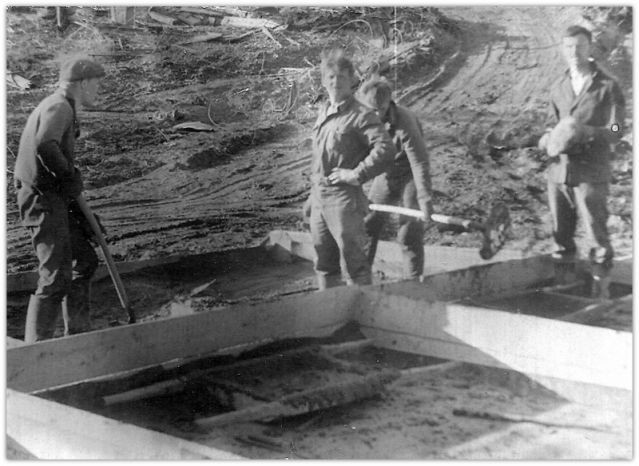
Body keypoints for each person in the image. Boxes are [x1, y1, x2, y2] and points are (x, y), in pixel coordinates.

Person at [14, 57, 106, 342]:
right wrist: (68, 174)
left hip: (55, 198)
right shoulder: (59, 106)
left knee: (85, 261)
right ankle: (36, 350)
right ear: (83, 83)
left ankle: (77, 336)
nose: (98, 89)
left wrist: (81, 214)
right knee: (55, 277)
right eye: (96, 83)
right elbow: (46, 144)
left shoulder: (62, 106)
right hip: (42, 199)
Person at [538, 25, 625, 291]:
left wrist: (588, 132)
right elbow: (550, 124)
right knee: (561, 237)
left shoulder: (608, 86)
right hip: (559, 172)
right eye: (569, 47)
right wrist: (547, 137)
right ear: (563, 50)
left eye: (580, 46)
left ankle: (602, 292)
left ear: (590, 48)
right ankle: (565, 290)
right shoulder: (558, 86)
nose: (574, 52)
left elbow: (617, 129)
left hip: (591, 172)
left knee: (596, 234)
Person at [308, 49, 395, 290]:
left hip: (344, 200)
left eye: (342, 76)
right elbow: (319, 159)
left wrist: (356, 174)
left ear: (352, 79)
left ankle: (362, 310)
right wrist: (311, 198)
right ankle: (330, 310)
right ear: (324, 81)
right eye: (331, 77)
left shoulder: (361, 114)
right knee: (324, 265)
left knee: (354, 265)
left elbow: (385, 148)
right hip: (319, 198)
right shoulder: (324, 112)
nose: (336, 82)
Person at [358, 76, 433, 279]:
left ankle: (413, 281)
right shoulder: (361, 119)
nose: (375, 115)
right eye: (370, 110)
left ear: (388, 103)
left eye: (380, 109)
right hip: (385, 172)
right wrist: (354, 188)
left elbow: (419, 162)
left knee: (409, 231)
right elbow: (355, 155)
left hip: (409, 173)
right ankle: (360, 280)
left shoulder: (405, 121)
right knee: (368, 223)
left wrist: (425, 199)